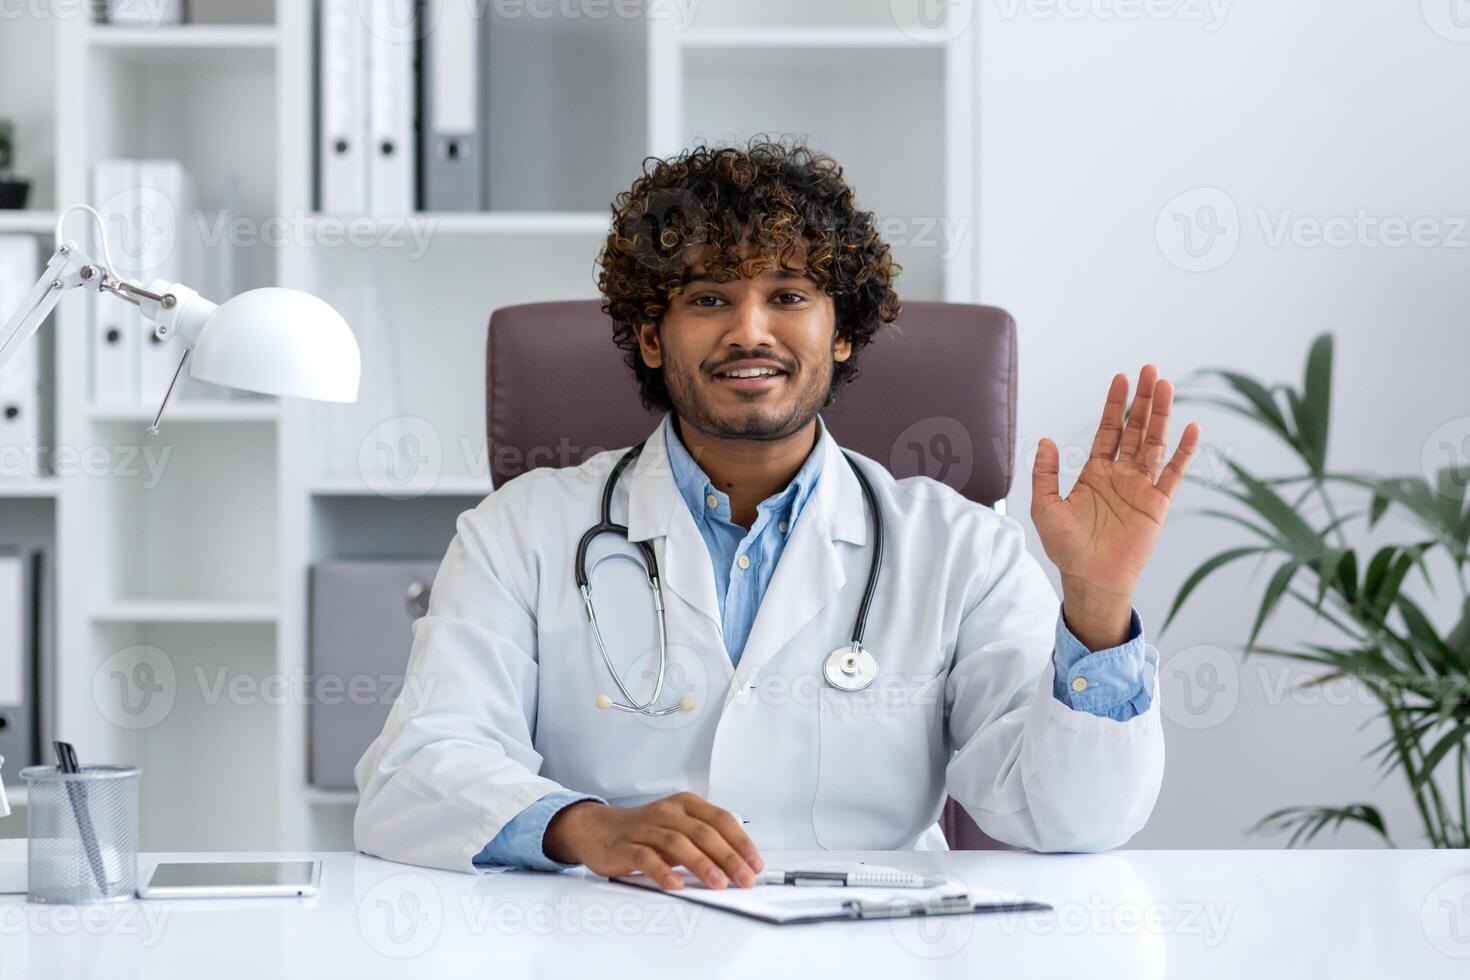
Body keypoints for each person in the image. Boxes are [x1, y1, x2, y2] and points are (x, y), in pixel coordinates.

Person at [354, 140, 1200, 889]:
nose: (749, 331)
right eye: (708, 299)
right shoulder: (522, 530)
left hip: (873, 948)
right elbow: (414, 774)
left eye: (789, 295)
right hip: (613, 941)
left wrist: (1094, 607)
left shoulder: (960, 547)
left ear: (842, 332)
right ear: (652, 336)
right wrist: (588, 828)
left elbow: (1071, 820)